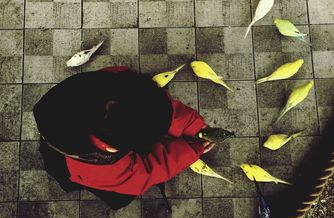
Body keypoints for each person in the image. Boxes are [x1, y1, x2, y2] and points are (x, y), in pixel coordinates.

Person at [33, 66, 215, 210]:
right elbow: (149, 170)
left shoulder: (114, 85)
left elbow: (157, 108)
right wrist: (191, 149)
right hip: (74, 169)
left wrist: (192, 125)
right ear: (112, 149)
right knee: (118, 195)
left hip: (56, 135)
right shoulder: (106, 168)